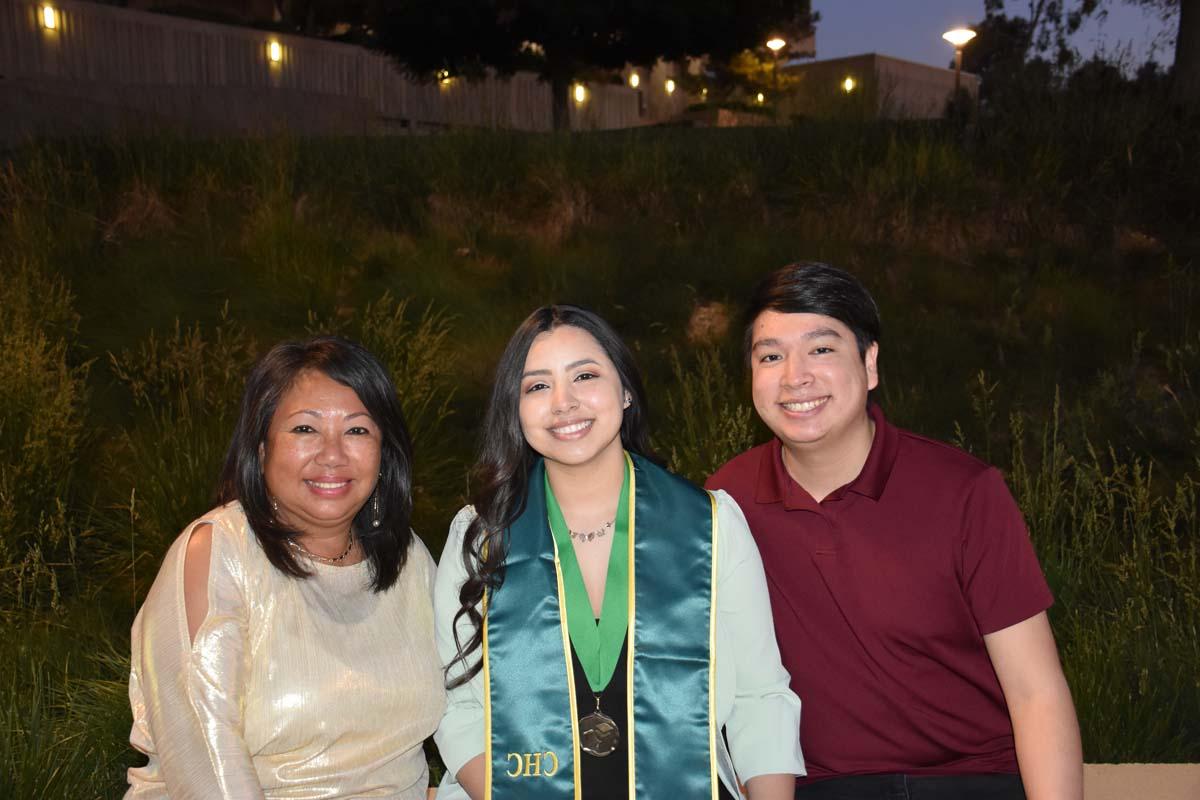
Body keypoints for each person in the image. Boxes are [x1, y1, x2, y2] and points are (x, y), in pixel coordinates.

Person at [706, 263, 1083, 800]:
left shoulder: (965, 492)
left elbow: (1035, 691)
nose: (795, 376)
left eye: (821, 349)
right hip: (820, 786)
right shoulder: (728, 501)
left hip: (969, 778)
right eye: (771, 356)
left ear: (870, 363)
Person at [433, 305, 804, 800]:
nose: (564, 403)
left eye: (585, 375)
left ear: (625, 389)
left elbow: (761, 697)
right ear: (515, 410)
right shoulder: (480, 537)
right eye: (538, 386)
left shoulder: (710, 525)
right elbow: (457, 707)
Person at [125, 336, 446, 799]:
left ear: (384, 452)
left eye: (357, 431)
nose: (332, 454)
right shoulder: (218, 552)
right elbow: (205, 763)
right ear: (260, 447)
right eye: (304, 430)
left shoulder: (409, 560)